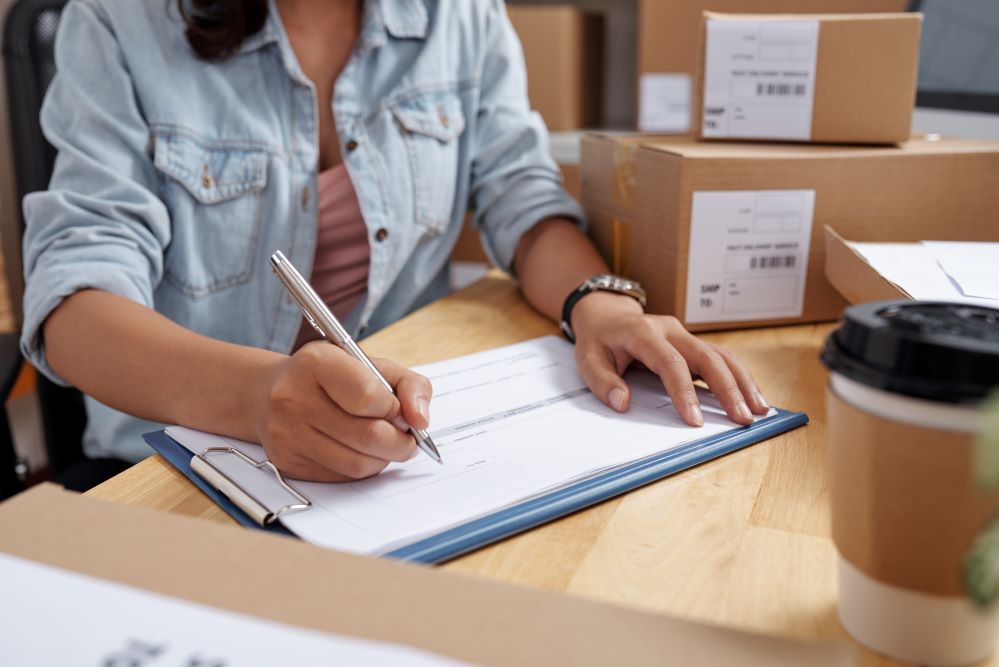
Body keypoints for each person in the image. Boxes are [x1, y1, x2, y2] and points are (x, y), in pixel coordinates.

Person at [21, 0, 769, 483]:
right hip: (185, 457)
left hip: (396, 451)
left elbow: (518, 192)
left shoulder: (459, 17)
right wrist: (256, 397)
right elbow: (75, 305)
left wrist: (599, 304)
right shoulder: (118, 22)